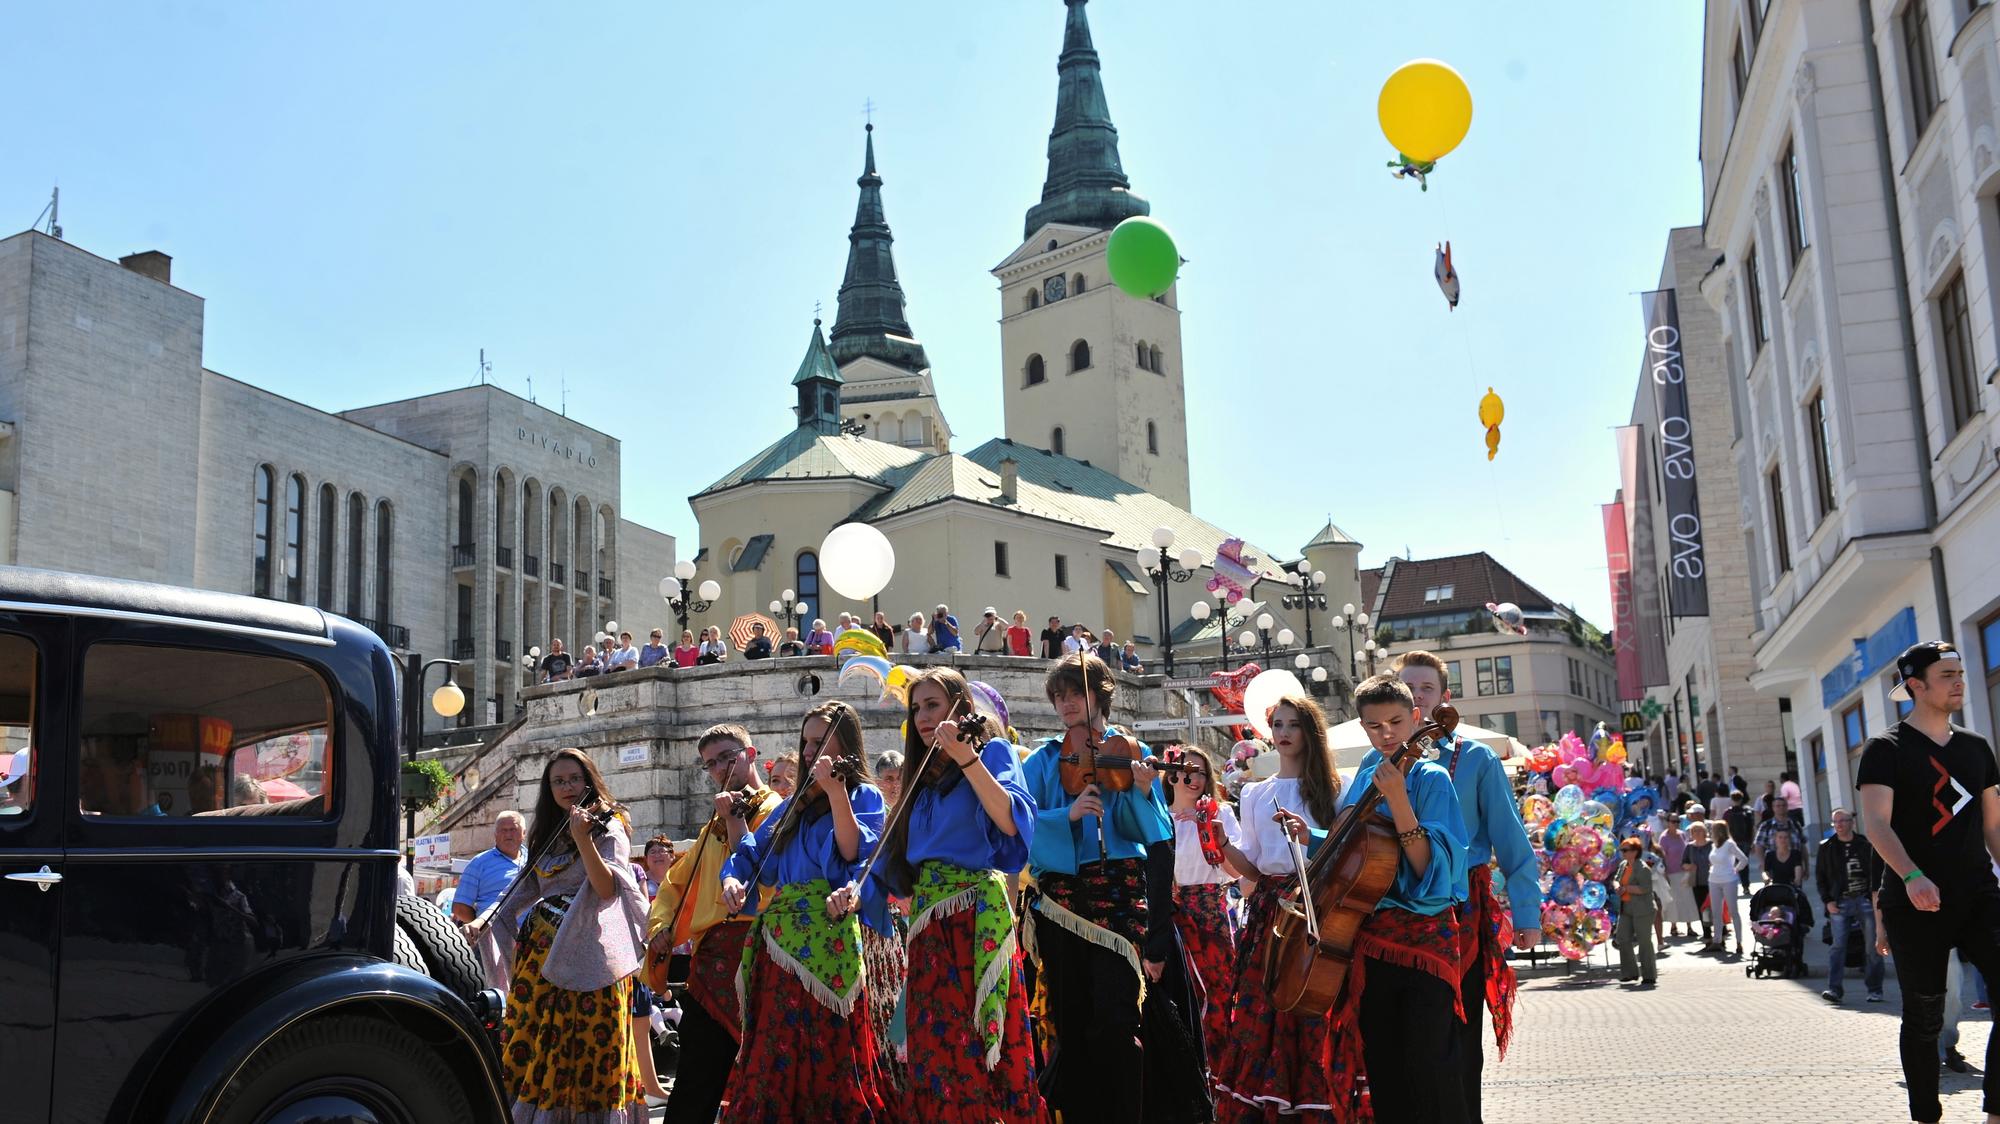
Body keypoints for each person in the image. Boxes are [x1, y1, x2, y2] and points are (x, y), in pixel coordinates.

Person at [1019, 652, 1208, 1123]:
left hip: (1121, 897)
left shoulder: (1126, 752)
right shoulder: (1044, 758)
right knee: (1074, 1022)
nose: (1066, 704)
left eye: (1075, 693)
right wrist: (1068, 815)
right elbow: (1021, 827)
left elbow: (1154, 835)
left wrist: (1140, 791)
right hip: (1063, 903)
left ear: (1101, 696)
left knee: (1117, 1022)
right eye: (1059, 696)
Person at [859, 668, 1044, 1122]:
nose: (922, 717)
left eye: (933, 705)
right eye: (916, 707)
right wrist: (855, 890)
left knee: (981, 1039)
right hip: (927, 929)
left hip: (975, 918)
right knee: (934, 1046)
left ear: (961, 707)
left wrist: (967, 759)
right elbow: (890, 863)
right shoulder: (918, 781)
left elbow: (1011, 821)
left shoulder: (993, 751)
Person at [719, 701, 888, 1119]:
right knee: (774, 1053)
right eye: (806, 742)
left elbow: (853, 852)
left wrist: (835, 792)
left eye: (821, 741)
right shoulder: (788, 805)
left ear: (846, 745)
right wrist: (733, 879)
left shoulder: (864, 795)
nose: (810, 751)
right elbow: (753, 855)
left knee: (830, 1056)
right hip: (780, 944)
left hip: (832, 937)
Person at [465, 748, 649, 1122]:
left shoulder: (609, 826)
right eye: (558, 782)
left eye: (574, 779)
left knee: (590, 1048)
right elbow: (518, 891)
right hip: (540, 962)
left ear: (589, 782)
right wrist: (483, 920)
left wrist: (583, 838)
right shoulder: (548, 834)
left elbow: (606, 890)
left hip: (592, 958)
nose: (567, 787)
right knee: (538, 1046)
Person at [1857, 640, 2000, 1124]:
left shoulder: (1977, 747)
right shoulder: (1885, 749)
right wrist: (1912, 876)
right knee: (1924, 1017)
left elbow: (1994, 826)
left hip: (1979, 894)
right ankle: (1926, 1115)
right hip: (1914, 901)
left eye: (1960, 672)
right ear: (1916, 686)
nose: (1959, 681)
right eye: (1946, 675)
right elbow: (1877, 824)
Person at [1317, 675, 1470, 1122]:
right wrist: (1312, 838)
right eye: (1374, 725)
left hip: (1425, 941)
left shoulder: (1433, 777)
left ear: (1417, 719)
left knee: (1431, 1069)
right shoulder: (1366, 771)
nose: (1386, 734)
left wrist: (1399, 799)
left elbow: (1431, 873)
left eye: (1396, 722)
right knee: (1384, 1069)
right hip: (1370, 940)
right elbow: (1357, 850)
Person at [1392, 650, 1539, 1113]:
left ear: (1444, 699)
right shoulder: (1386, 758)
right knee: (1407, 1035)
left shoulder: (1475, 757)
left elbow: (1510, 838)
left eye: (1427, 689)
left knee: (1457, 1031)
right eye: (1409, 689)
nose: (1418, 695)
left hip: (1463, 910)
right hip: (1399, 910)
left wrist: (1528, 915)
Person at [1210, 695, 1342, 1120]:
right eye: (1278, 725)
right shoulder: (1253, 793)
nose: (1283, 733)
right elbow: (1252, 866)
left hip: (1313, 908)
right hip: (1270, 913)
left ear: (1309, 733)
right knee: (1264, 1008)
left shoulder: (1331, 791)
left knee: (1308, 1007)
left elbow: (1339, 853)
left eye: (1293, 725)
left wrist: (1309, 835)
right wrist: (1223, 844)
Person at [645, 724, 781, 1124]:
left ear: (751, 754)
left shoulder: (776, 811)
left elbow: (764, 879)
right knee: (695, 1080)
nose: (720, 768)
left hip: (761, 955)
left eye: (728, 757)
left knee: (763, 1076)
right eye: (711, 764)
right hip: (710, 966)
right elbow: (673, 883)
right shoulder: (710, 828)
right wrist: (659, 927)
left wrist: (735, 818)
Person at [1160, 743, 1241, 1067]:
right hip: (1171, 916)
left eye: (1201, 773)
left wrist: (1204, 825)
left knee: (1219, 990)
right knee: (1182, 994)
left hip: (1210, 911)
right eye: (1186, 771)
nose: (1193, 779)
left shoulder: (1221, 815)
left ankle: (1220, 1070)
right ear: (1171, 774)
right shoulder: (1159, 817)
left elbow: (1237, 871)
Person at [1817, 806, 1885, 1004]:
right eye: (1835, 822)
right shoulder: (1827, 847)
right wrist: (1828, 901)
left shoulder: (1864, 846)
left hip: (1864, 901)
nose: (1838, 825)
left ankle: (1875, 989)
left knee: (1873, 947)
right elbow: (1821, 877)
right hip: (1840, 902)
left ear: (1851, 823)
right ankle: (1834, 989)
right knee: (1837, 947)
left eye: (1842, 821)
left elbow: (1875, 874)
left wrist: (1873, 900)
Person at [451, 810, 525, 926]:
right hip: (496, 939)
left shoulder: (536, 860)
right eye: (503, 830)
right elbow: (460, 908)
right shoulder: (479, 863)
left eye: (513, 829)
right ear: (495, 835)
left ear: (524, 833)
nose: (508, 835)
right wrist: (482, 928)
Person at [1612, 837, 1658, 987]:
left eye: (1625, 850)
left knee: (1644, 941)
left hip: (1643, 909)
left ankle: (1649, 975)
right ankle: (1629, 973)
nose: (1622, 853)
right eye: (1621, 850)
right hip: (1626, 908)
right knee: (1622, 938)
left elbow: (1645, 888)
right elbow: (1616, 879)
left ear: (1635, 852)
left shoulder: (1643, 868)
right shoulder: (1624, 865)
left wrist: (1626, 889)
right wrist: (1617, 886)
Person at [1706, 820, 1748, 955]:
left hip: (1729, 879)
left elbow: (1744, 859)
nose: (1711, 832)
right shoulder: (1714, 845)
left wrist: (1735, 870)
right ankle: (1717, 940)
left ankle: (1739, 941)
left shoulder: (1729, 844)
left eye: (1713, 829)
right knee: (1716, 912)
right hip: (1714, 879)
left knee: (1733, 911)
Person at [1659, 812, 1696, 940]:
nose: (1675, 824)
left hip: (1684, 871)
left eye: (1677, 822)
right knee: (1673, 900)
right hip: (1671, 872)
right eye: (1673, 821)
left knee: (1687, 899)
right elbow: (1661, 857)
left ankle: (1689, 926)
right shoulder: (1664, 838)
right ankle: (1673, 926)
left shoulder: (1682, 835)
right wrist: (1664, 874)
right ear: (1668, 822)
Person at [1684, 820, 1714, 945]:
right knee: (1703, 909)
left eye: (1699, 830)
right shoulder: (1689, 847)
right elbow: (1683, 863)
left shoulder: (1712, 844)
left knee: (1716, 908)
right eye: (1694, 830)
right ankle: (1707, 934)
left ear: (1705, 831)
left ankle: (1721, 933)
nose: (1697, 832)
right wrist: (1689, 866)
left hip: (1714, 881)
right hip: (1698, 882)